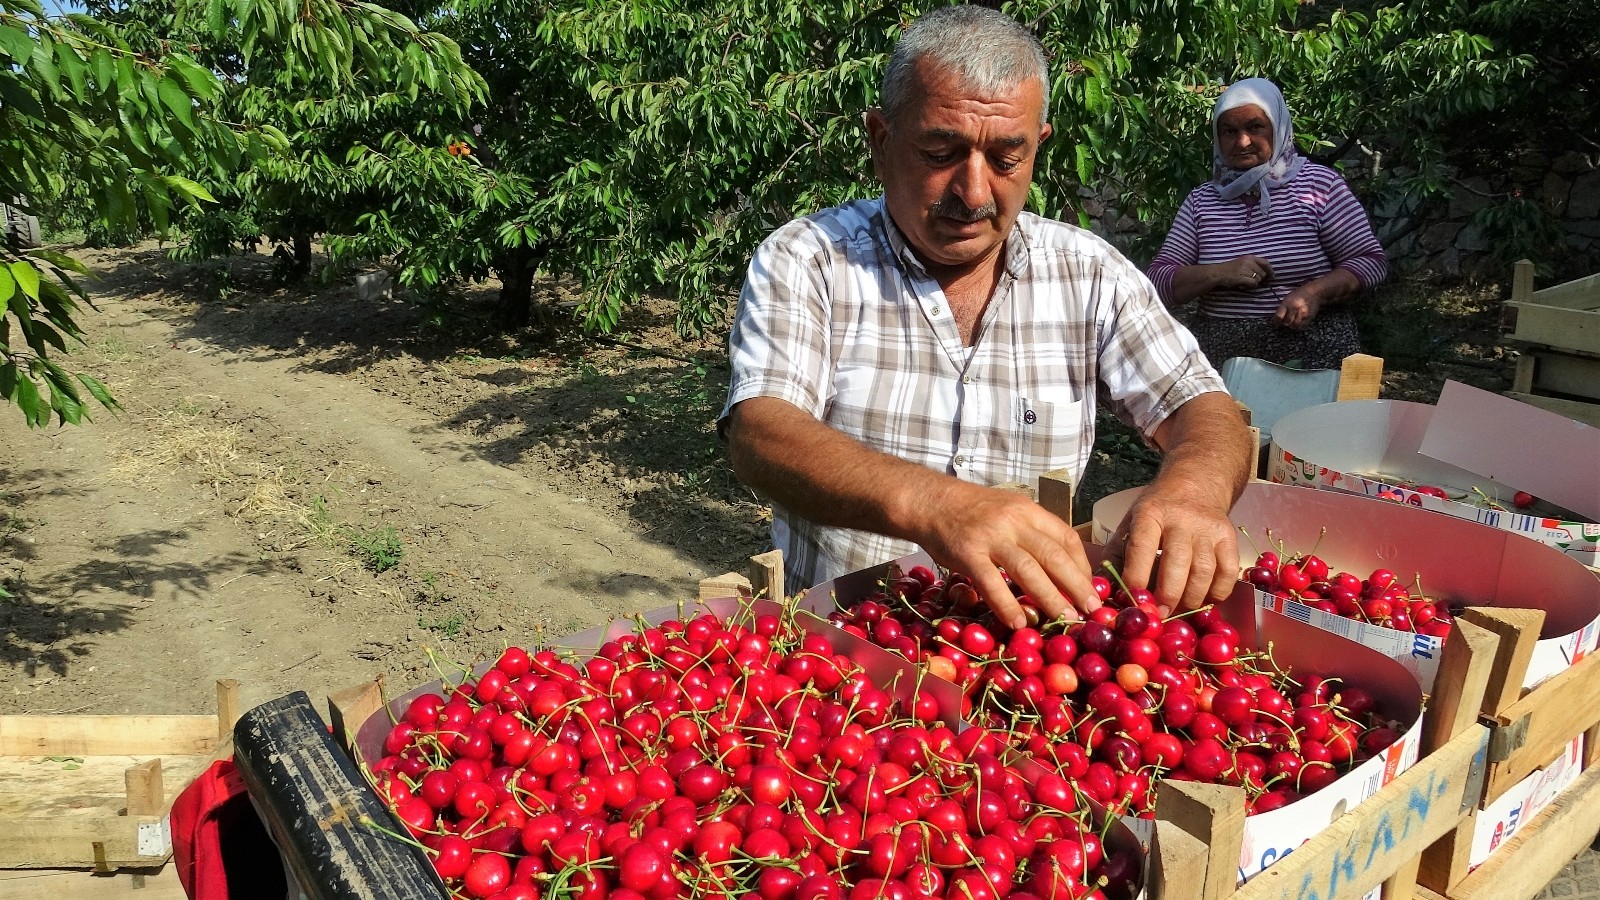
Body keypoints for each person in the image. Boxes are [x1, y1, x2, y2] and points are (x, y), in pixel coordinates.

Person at [719, 6, 1253, 629]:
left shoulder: (1088, 272)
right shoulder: (810, 259)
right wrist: (933, 504)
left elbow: (1202, 406)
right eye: (941, 151)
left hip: (1021, 658)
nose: (973, 193)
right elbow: (760, 431)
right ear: (881, 141)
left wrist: (1193, 488)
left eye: (1005, 157)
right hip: (844, 650)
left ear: (1038, 148)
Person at [1147, 78, 1388, 371]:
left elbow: (1370, 262)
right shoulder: (1203, 201)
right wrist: (1219, 273)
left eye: (1255, 127)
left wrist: (1314, 293)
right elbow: (1158, 282)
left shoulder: (1319, 187)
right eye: (1229, 131)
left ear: (1278, 127)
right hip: (1223, 363)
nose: (1242, 141)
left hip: (1314, 357)